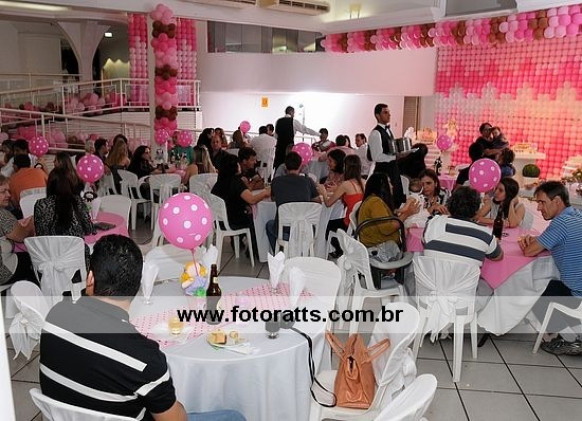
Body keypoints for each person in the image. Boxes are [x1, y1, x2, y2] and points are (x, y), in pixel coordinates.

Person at [39, 234, 246, 421]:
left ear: (91, 278)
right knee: (234, 417)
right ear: (137, 286)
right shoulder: (144, 357)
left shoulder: (55, 315)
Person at [518, 181, 582, 355]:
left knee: (535, 290)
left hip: (578, 295)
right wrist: (540, 242)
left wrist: (526, 243)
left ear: (557, 201)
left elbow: (529, 251)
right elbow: (557, 239)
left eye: (542, 202)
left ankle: (572, 340)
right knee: (550, 284)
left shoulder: (561, 223)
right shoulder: (576, 215)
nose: (539, 208)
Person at [423, 186, 503, 267]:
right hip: (465, 275)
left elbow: (425, 243)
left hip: (432, 274)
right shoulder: (485, 233)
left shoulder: (433, 223)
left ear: (449, 205)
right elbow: (498, 256)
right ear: (476, 209)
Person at [211, 154, 270, 257]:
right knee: (257, 218)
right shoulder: (235, 182)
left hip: (219, 221)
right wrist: (265, 193)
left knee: (249, 212)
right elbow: (252, 199)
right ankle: (255, 249)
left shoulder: (219, 183)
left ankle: (244, 245)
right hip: (234, 220)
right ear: (234, 166)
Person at [266, 152, 319, 253]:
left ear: (285, 166)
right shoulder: (308, 181)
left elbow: (273, 198)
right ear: (301, 166)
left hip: (283, 230)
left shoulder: (276, 181)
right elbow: (317, 201)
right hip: (305, 230)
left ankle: (280, 254)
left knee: (269, 224)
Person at [318, 155, 365, 258]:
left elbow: (328, 203)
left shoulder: (346, 184)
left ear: (346, 167)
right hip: (360, 222)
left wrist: (323, 192)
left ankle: (339, 249)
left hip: (349, 223)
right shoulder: (364, 182)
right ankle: (340, 249)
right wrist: (337, 189)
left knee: (327, 226)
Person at [357, 173, 419, 248]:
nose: (392, 186)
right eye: (389, 183)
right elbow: (387, 229)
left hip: (381, 243)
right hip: (379, 247)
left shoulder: (374, 200)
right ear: (382, 186)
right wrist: (407, 213)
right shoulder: (375, 202)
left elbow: (388, 221)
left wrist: (403, 211)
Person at [367, 103, 406, 208]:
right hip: (383, 170)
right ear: (377, 116)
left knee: (396, 198)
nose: (389, 115)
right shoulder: (376, 133)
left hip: (392, 169)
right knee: (386, 200)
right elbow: (376, 156)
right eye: (385, 112)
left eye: (389, 112)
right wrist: (395, 157)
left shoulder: (388, 130)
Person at [0, 175, 35, 286]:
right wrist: (31, 222)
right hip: (3, 272)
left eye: (8, 191)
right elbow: (21, 236)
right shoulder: (2, 215)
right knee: (35, 260)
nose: (8, 195)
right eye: (3, 192)